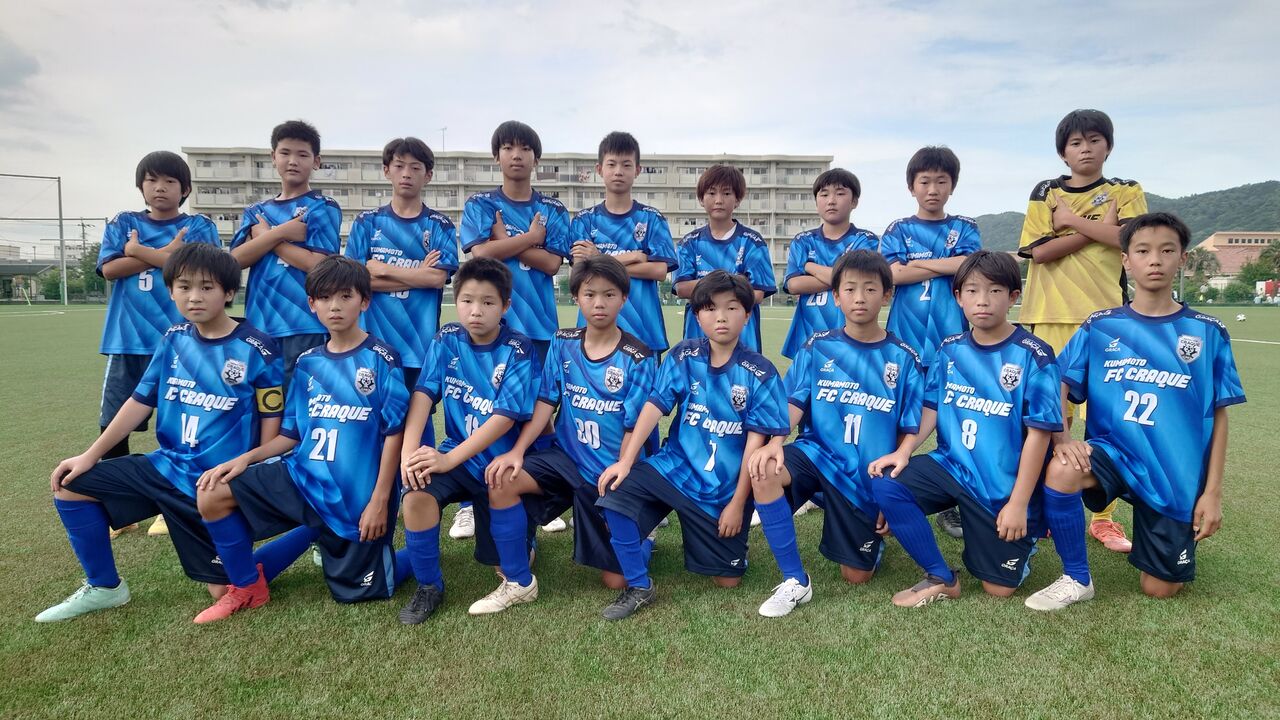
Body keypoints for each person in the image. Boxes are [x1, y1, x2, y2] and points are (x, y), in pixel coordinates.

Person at [37, 244, 303, 622]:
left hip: (211, 484)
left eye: (207, 287)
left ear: (228, 292)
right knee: (70, 484)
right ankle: (105, 587)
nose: (194, 297)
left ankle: (315, 529)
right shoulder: (174, 337)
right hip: (165, 466)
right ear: (171, 291)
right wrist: (90, 455)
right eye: (184, 287)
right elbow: (139, 401)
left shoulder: (258, 348)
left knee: (226, 589)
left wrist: (248, 481)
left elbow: (270, 422)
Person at [1026, 213, 1245, 610]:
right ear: (1126, 260)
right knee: (1063, 467)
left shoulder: (1207, 331)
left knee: (1159, 589)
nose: (1155, 260)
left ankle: (1159, 541)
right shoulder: (1101, 326)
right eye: (1143, 251)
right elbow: (1055, 381)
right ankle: (1076, 577)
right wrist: (1063, 439)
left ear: (1183, 258)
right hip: (1114, 454)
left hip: (1173, 472)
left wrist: (1212, 493)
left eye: (1167, 250)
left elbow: (1219, 416)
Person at [192, 256, 411, 622]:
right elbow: (291, 434)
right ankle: (249, 586)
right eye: (324, 298)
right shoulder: (308, 362)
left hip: (353, 497)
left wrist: (380, 500)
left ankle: (417, 553)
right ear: (311, 304)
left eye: (345, 296)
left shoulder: (382, 359)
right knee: (213, 492)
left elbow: (394, 434)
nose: (335, 306)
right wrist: (246, 459)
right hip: (302, 478)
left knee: (362, 593)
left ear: (364, 301)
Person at [869, 251, 1063, 607]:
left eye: (994, 291)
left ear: (1013, 297)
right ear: (958, 297)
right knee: (887, 481)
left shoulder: (1033, 354)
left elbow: (1040, 434)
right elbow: (931, 407)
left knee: (998, 589)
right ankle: (940, 576)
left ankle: (1021, 539)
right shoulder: (949, 349)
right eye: (972, 291)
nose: (982, 301)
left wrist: (1018, 503)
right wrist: (904, 451)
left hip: (1000, 486)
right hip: (952, 467)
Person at [596, 270, 789, 620]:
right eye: (711, 308)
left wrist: (737, 505)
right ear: (697, 315)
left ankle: (713, 543)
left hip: (720, 489)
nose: (721, 317)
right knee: (616, 496)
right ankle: (639, 585)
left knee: (727, 580)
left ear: (747, 315)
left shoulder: (759, 372)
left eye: (732, 308)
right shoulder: (684, 356)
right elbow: (654, 407)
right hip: (675, 467)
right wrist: (626, 461)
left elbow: (754, 446)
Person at [475, 255, 659, 613]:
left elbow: (634, 425)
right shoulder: (563, 342)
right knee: (503, 478)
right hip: (566, 460)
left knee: (615, 580)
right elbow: (546, 401)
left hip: (608, 469)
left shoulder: (638, 357)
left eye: (609, 294)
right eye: (590, 294)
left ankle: (644, 535)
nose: (599, 303)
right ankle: (518, 581)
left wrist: (622, 466)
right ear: (576, 297)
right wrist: (518, 451)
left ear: (624, 298)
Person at [748, 250, 924, 617]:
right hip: (817, 454)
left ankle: (864, 536)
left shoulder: (904, 358)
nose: (860, 298)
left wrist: (891, 490)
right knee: (763, 467)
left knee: (856, 576)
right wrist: (776, 442)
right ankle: (795, 579)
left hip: (864, 473)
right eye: (850, 289)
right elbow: (793, 401)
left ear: (887, 295)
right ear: (836, 296)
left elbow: (909, 428)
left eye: (870, 289)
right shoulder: (818, 346)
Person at [1017, 109, 1148, 552]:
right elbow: (1038, 253)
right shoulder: (1046, 191)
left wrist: (1072, 221)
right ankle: (1047, 507)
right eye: (1075, 143)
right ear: (1062, 152)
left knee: (1105, 423)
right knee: (1049, 418)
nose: (1085, 149)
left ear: (1108, 146)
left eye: (1094, 140)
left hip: (1106, 321)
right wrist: (1102, 228)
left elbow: (1132, 240)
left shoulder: (1126, 189)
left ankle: (1104, 518)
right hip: (1049, 315)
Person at [397, 258, 539, 624]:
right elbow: (424, 394)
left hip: (500, 463)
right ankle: (428, 586)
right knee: (416, 492)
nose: (476, 311)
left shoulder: (519, 348)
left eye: (488, 302)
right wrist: (409, 452)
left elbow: (505, 417)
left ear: (505, 305)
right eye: (467, 301)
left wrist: (448, 459)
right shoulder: (447, 338)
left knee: (506, 566)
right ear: (456, 300)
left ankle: (525, 534)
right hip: (457, 455)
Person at [94, 151, 221, 538]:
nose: (160, 187)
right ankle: (122, 510)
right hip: (128, 340)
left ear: (185, 189)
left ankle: (172, 504)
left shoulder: (199, 225)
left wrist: (136, 252)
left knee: (183, 424)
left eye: (169, 181)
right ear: (141, 186)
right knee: (112, 423)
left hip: (183, 342)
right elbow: (109, 269)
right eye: (151, 180)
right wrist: (166, 255)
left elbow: (202, 267)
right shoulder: (123, 222)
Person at [878, 147, 981, 540]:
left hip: (951, 340)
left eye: (941, 181)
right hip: (903, 340)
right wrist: (944, 263)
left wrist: (916, 264)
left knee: (951, 416)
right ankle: (884, 488)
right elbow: (891, 274)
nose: (933, 189)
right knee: (895, 411)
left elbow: (969, 265)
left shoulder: (965, 226)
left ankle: (953, 501)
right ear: (911, 187)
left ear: (952, 186)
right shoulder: (897, 228)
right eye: (925, 181)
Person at [229, 119, 342, 390]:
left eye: (302, 155)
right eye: (285, 153)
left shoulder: (322, 207)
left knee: (300, 404)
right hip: (260, 325)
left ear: (316, 161)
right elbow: (234, 261)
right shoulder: (256, 210)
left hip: (306, 324)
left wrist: (267, 237)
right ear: (273, 157)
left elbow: (319, 265)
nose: (293, 161)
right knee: (263, 405)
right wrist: (282, 233)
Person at [673, 165, 776, 353]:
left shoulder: (753, 242)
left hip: (744, 340)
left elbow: (758, 293)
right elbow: (682, 288)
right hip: (698, 338)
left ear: (737, 199)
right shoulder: (689, 243)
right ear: (701, 199)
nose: (719, 200)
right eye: (712, 193)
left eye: (727, 193)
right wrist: (737, 282)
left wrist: (703, 286)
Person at [780, 169, 878, 360]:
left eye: (840, 193)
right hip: (807, 335)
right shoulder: (803, 241)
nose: (831, 200)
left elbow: (859, 280)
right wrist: (843, 278)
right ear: (816, 201)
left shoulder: (865, 240)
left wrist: (809, 267)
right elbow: (794, 285)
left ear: (854, 201)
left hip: (852, 335)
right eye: (824, 194)